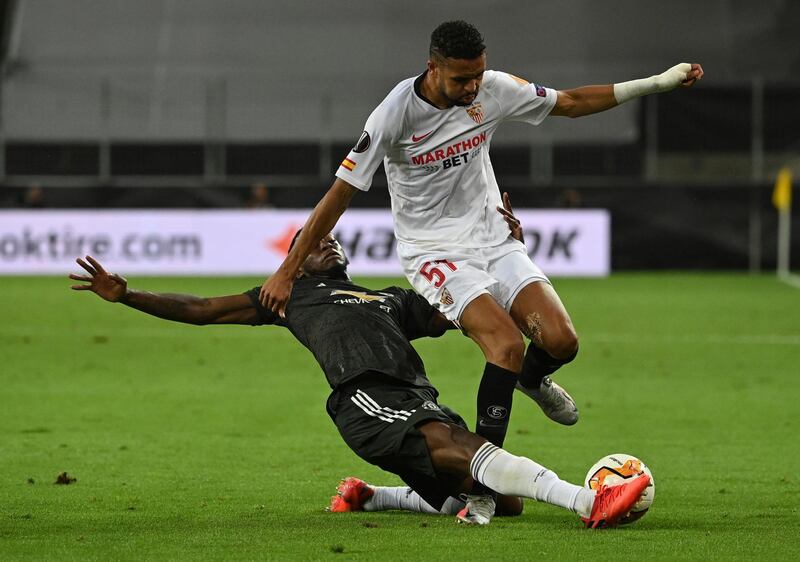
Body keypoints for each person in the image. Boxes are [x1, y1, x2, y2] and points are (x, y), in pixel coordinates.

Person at [258, 22, 702, 520]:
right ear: (433, 68)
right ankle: (479, 491)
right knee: (506, 346)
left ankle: (530, 383)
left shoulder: (492, 91)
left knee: (561, 342)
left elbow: (572, 102)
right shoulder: (393, 115)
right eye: (460, 79)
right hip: (434, 253)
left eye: (478, 75)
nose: (472, 87)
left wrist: (656, 84)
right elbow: (338, 194)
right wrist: (287, 269)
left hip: (492, 238)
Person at [68, 217, 649, 528]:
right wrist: (127, 295)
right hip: (365, 401)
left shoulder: (387, 299)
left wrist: (501, 253)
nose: (327, 241)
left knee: (496, 498)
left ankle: (372, 496)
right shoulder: (287, 298)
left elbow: (467, 305)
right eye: (312, 240)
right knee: (460, 446)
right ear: (294, 261)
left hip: (419, 398)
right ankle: (586, 501)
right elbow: (199, 309)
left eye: (330, 237)